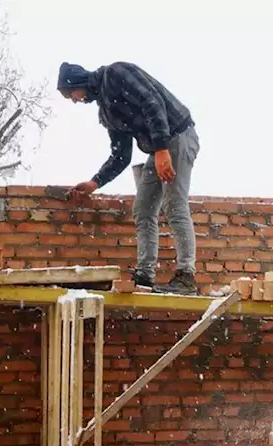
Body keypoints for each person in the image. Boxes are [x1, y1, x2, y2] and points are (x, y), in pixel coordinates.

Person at [58, 62, 200, 295]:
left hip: (177, 135)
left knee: (174, 204)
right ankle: (145, 275)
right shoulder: (106, 111)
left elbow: (152, 102)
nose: (73, 100)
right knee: (143, 209)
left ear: (77, 82)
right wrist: (95, 182)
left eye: (70, 93)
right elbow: (121, 155)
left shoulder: (116, 73)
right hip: (159, 148)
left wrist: (162, 149)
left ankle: (186, 276)